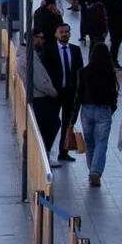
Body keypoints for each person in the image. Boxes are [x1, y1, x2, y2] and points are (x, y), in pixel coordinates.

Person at [72, 43, 118, 187]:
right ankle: (95, 171)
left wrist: (72, 119)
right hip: (103, 110)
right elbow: (113, 95)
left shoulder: (83, 72)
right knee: (101, 142)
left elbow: (78, 96)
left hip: (87, 110)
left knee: (90, 143)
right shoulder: (110, 73)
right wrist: (112, 109)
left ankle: (92, 170)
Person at [42, 22, 83, 163]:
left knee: (68, 123)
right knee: (53, 122)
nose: (64, 34)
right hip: (54, 93)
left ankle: (63, 152)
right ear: (56, 34)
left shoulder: (76, 50)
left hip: (70, 93)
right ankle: (46, 149)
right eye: (61, 32)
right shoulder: (48, 50)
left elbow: (80, 72)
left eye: (66, 31)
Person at [17, 29, 61, 156]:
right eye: (40, 38)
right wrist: (54, 93)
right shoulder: (31, 58)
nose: (43, 40)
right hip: (40, 99)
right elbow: (41, 82)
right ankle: (44, 154)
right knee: (51, 125)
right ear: (33, 39)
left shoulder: (24, 56)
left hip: (34, 97)